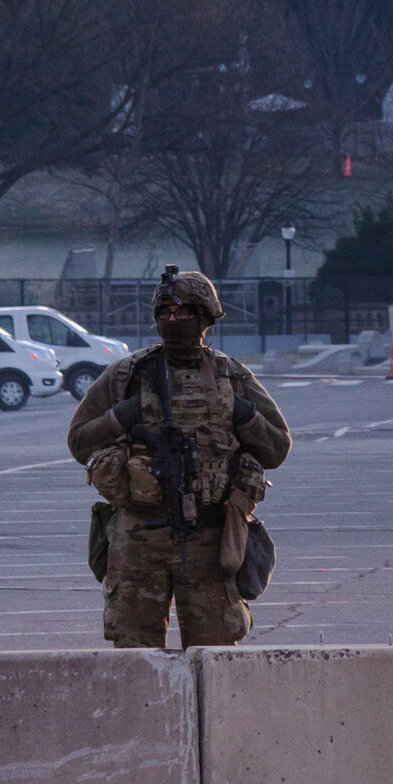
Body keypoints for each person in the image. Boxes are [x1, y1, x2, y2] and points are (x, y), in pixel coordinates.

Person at [68, 264, 290, 649]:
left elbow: (277, 448)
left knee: (215, 654)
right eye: (164, 313)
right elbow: (79, 441)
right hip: (138, 536)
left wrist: (239, 412)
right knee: (135, 654)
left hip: (209, 535)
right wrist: (125, 414)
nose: (172, 321)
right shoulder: (127, 374)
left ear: (204, 318)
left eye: (183, 312)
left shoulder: (230, 376)